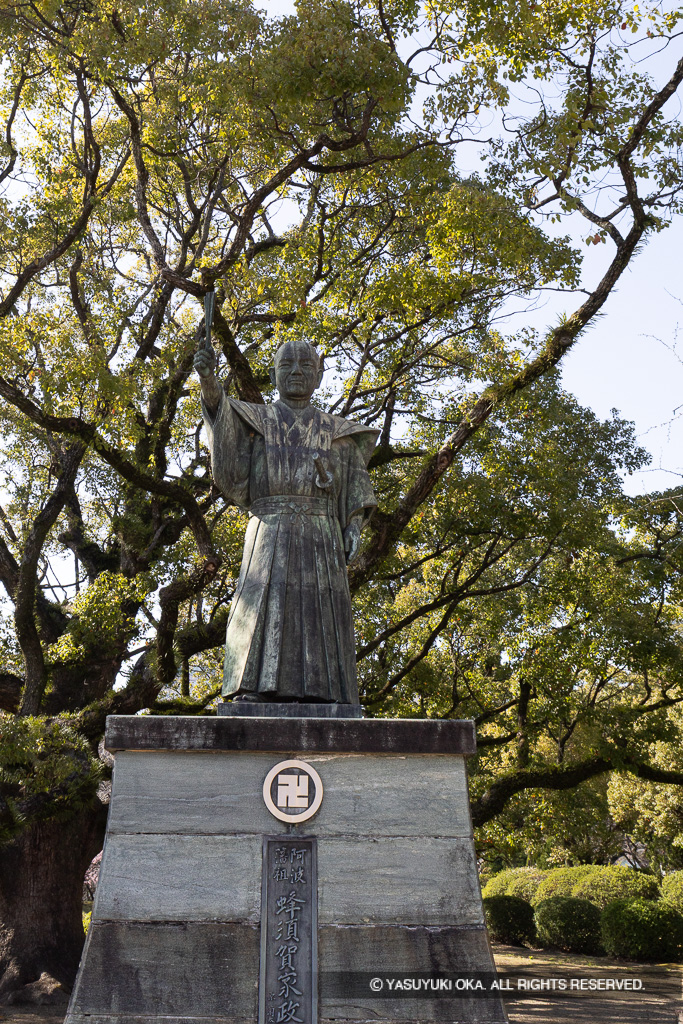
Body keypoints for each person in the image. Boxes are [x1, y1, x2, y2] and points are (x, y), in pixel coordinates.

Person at [195, 335, 378, 704]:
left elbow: (357, 486)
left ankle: (326, 694)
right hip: (269, 527)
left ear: (319, 376)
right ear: (274, 373)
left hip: (322, 532)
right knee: (261, 601)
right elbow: (222, 421)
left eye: (306, 366)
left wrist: (354, 525)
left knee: (320, 612)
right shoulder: (256, 421)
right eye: (286, 366)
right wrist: (208, 381)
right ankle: (251, 688)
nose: (296, 372)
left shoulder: (339, 433)